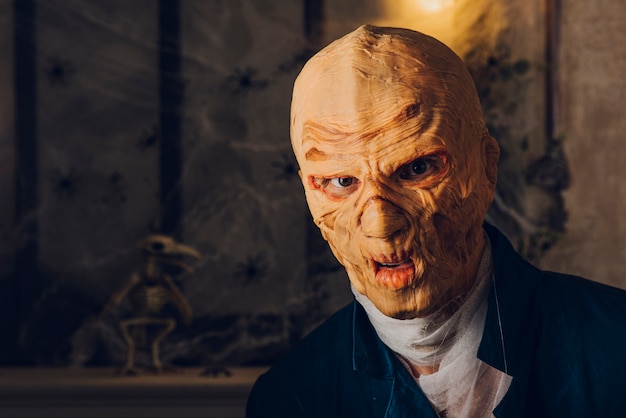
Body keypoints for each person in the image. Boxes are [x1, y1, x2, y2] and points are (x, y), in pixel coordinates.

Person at [246, 25, 626, 417]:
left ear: (486, 168)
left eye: (417, 168)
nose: (380, 223)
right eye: (341, 182)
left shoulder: (616, 350)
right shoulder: (292, 397)